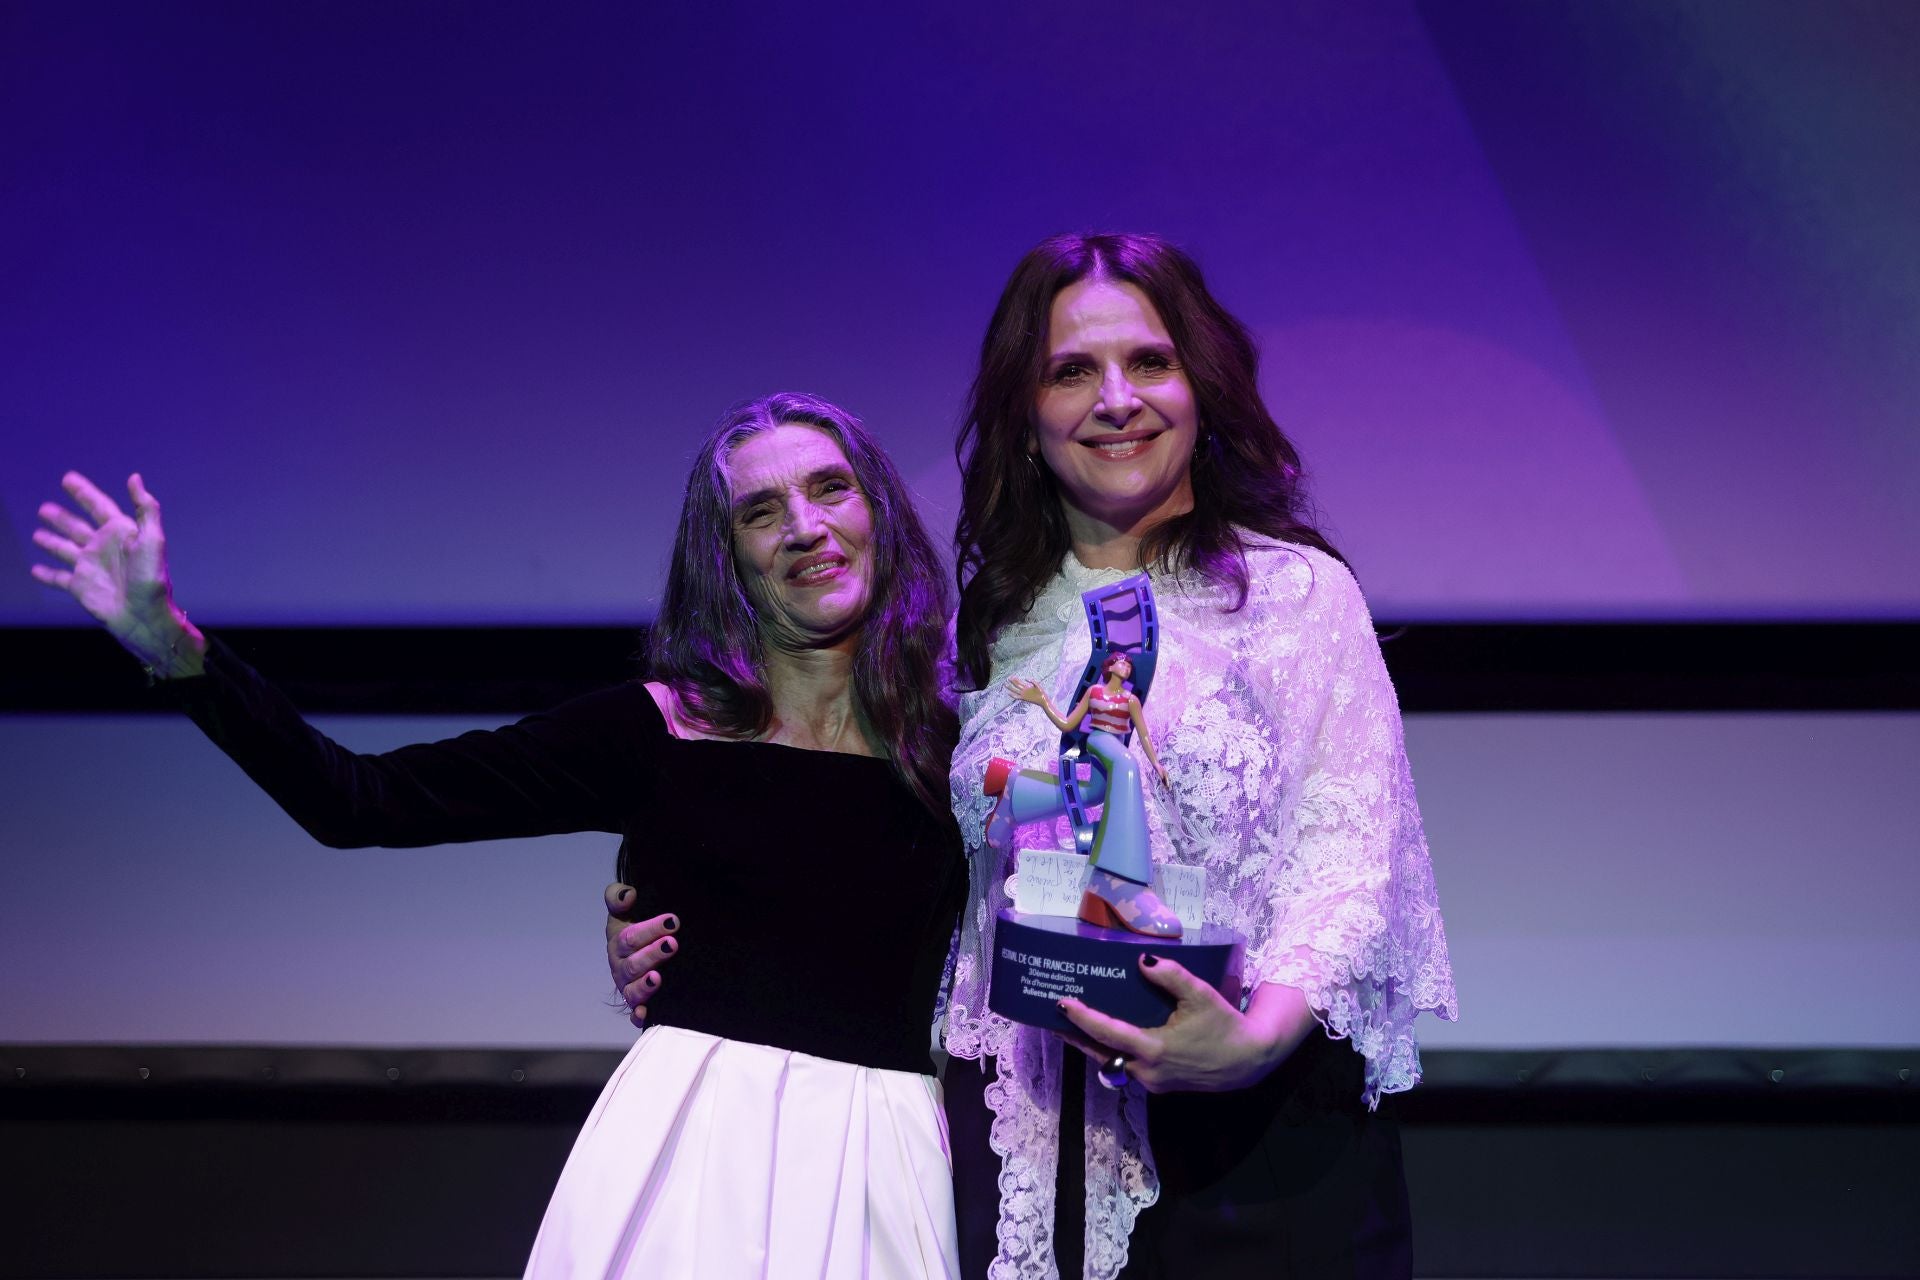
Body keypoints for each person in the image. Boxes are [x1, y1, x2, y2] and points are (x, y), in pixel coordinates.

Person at [610, 234, 1457, 1279]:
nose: (1116, 399)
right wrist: (678, 929)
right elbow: (885, 856)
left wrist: (1251, 1036)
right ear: (1024, 412)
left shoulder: (1297, 596)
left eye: (1149, 362)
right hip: (1029, 1143)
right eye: (1071, 370)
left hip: (1259, 1138)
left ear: (1201, 383)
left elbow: (1350, 851)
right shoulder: (988, 631)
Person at [30, 392, 967, 1280]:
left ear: (877, 509)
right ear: (727, 558)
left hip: (885, 1158)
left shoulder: (959, 750)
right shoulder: (657, 732)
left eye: (829, 488)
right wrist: (174, 646)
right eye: (762, 511)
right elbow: (361, 800)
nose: (805, 526)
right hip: (697, 1151)